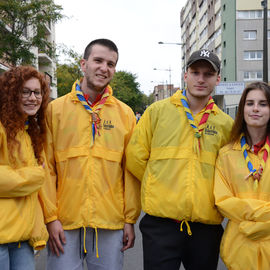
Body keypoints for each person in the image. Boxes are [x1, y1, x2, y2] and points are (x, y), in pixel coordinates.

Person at [126, 49, 234, 270]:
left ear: (218, 79)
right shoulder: (157, 112)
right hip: (161, 225)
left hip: (206, 227)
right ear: (186, 75)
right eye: (195, 72)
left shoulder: (226, 125)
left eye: (208, 74)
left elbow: (231, 171)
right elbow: (135, 157)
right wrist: (157, 184)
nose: (201, 79)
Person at [40, 38, 141, 270]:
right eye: (98, 60)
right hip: (64, 222)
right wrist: (50, 217)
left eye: (111, 64)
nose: (104, 68)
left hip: (110, 222)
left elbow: (130, 172)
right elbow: (46, 168)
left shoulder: (125, 115)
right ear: (83, 64)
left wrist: (129, 220)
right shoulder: (55, 110)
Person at [214, 81, 270, 270]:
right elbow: (223, 201)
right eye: (249, 103)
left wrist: (259, 225)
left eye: (263, 104)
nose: (255, 109)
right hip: (240, 250)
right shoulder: (226, 154)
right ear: (242, 109)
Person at [0, 66, 49, 270]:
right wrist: (37, 175)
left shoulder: (29, 132)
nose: (33, 98)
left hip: (22, 239)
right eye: (25, 92)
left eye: (37, 92)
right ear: (11, 94)